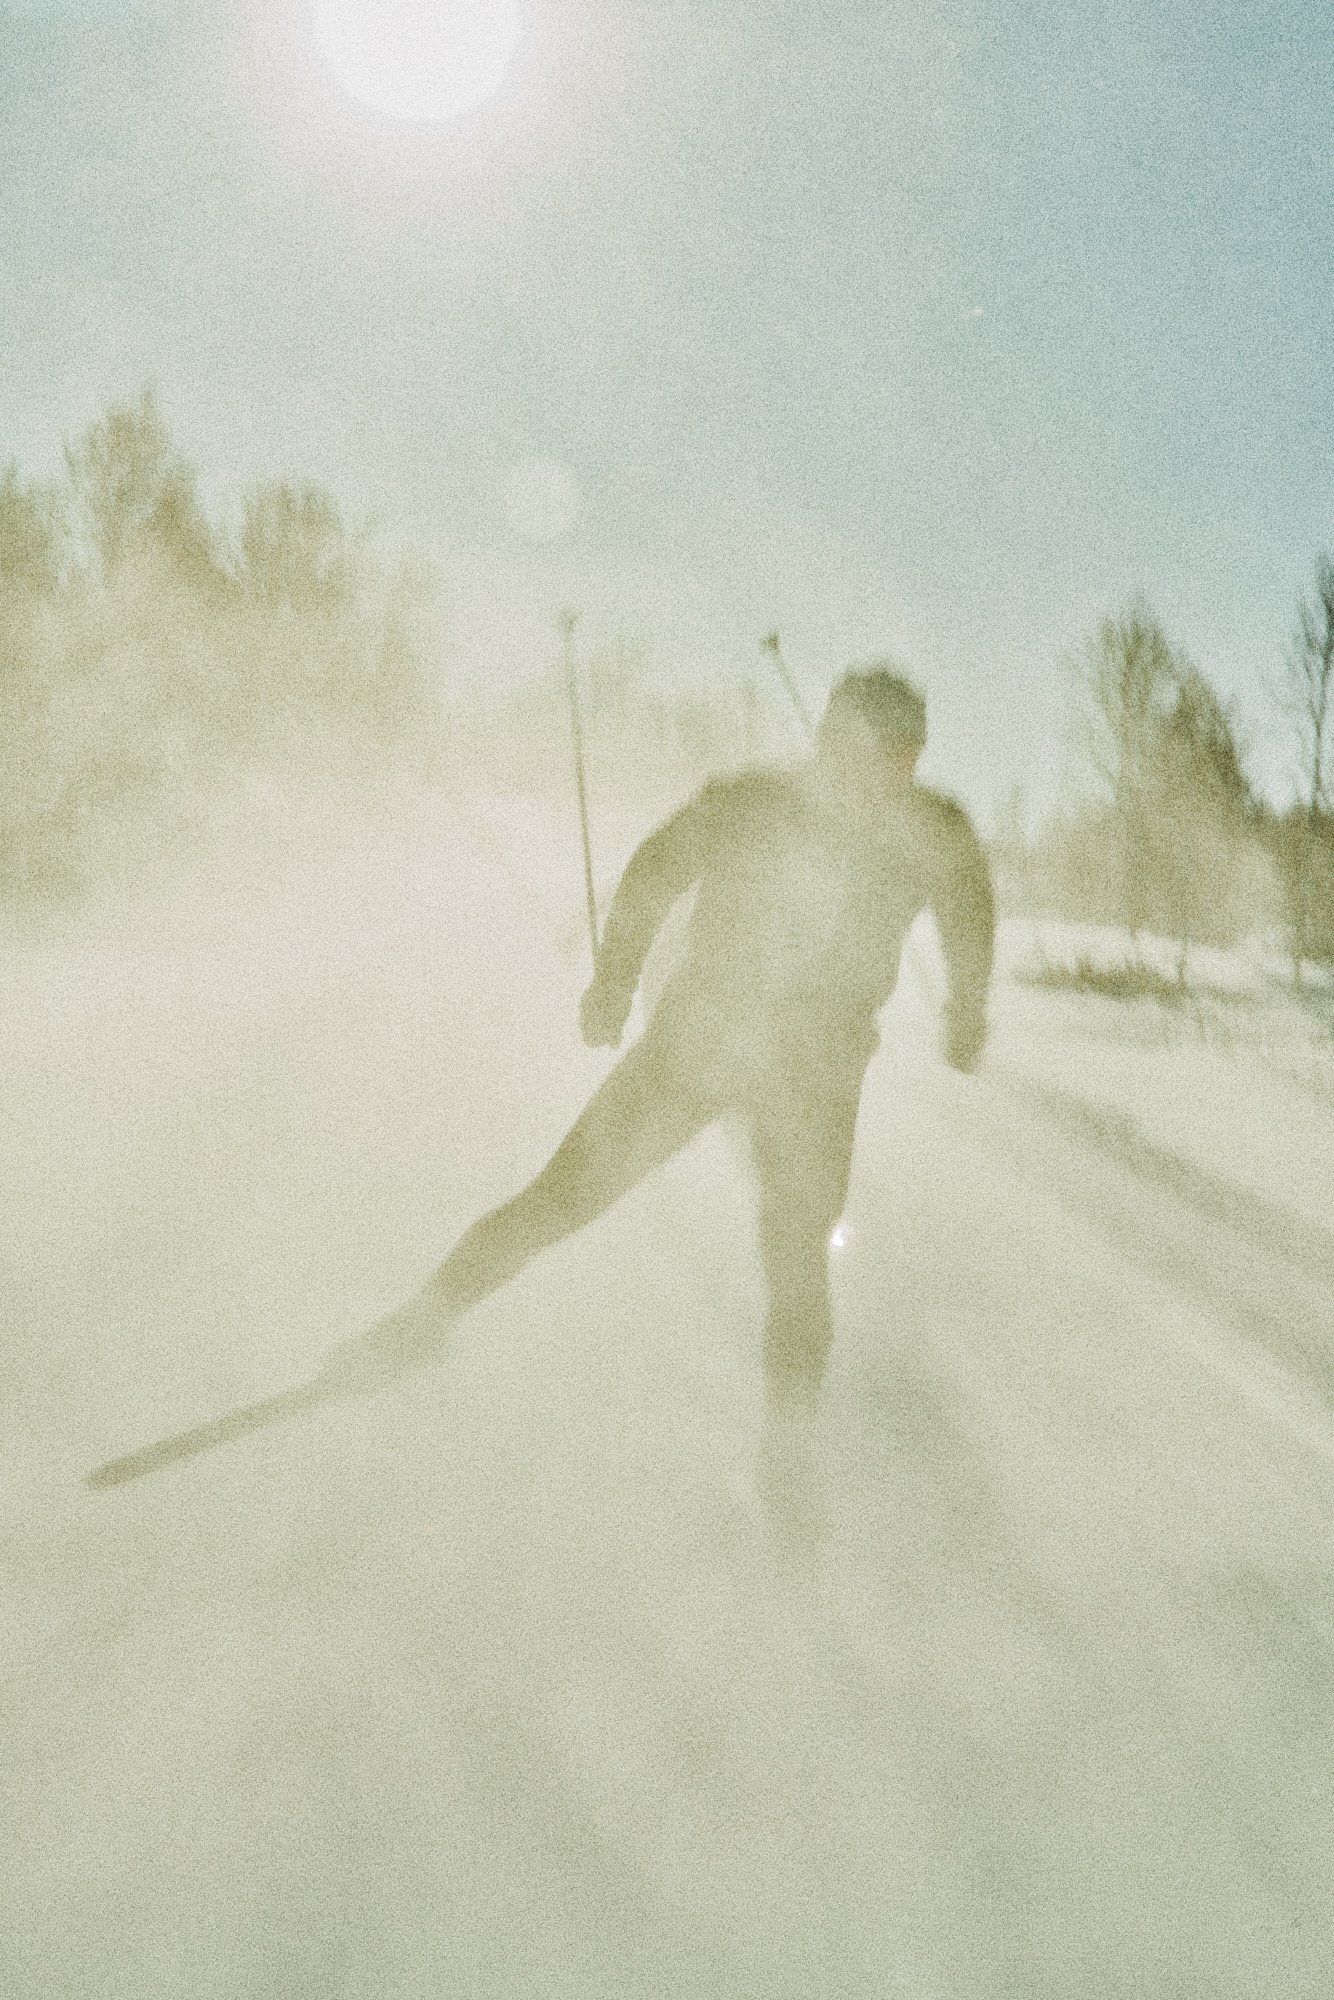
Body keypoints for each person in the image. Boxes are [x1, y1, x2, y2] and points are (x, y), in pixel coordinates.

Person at [334, 664, 995, 1534]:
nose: (862, 772)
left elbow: (969, 910)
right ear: (825, 740)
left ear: (909, 759)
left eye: (885, 757)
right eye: (846, 748)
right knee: (566, 1195)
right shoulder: (754, 803)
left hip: (818, 1075)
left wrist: (968, 1005)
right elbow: (653, 871)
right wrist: (613, 979)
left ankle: (788, 1458)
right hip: (701, 1045)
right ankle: (422, 1322)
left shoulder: (931, 831)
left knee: (798, 1258)